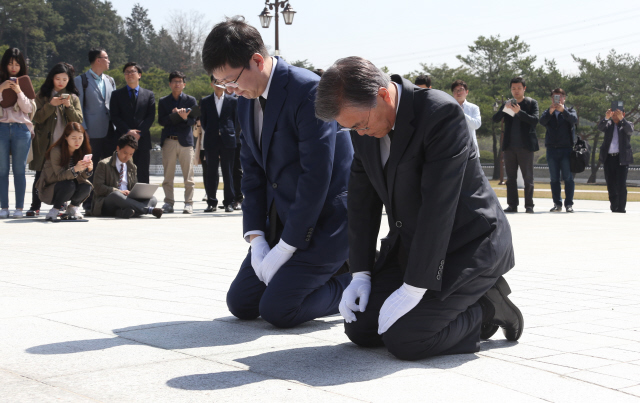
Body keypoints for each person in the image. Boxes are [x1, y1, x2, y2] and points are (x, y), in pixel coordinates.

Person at [315, 56, 521, 361]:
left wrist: (413, 287)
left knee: (407, 339)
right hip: (413, 244)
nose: (359, 134)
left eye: (360, 124)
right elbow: (360, 203)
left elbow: (439, 208)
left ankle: (487, 307)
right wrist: (360, 274)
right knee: (360, 327)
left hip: (467, 244)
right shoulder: (365, 129)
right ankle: (441, 303)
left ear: (383, 95)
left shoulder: (440, 113)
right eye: (350, 129)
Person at [202, 16, 353, 328]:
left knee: (278, 310)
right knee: (241, 304)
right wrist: (257, 239)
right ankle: (307, 273)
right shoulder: (246, 99)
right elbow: (253, 173)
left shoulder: (307, 89)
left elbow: (317, 177)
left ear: (257, 61)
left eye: (231, 81)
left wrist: (286, 247)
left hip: (325, 224)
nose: (229, 90)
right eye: (221, 84)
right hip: (281, 220)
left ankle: (354, 281)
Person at [28, 62, 83, 217]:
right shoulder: (42, 95)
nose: (61, 82)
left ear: (69, 81)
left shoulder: (73, 97)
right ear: (52, 78)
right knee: (40, 176)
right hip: (45, 144)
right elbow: (36, 118)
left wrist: (68, 107)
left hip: (65, 146)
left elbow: (78, 120)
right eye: (58, 78)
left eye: (64, 79)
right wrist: (50, 105)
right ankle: (34, 206)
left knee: (65, 174)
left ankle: (60, 206)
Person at [75, 48, 116, 212]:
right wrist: (83, 130)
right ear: (98, 60)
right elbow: (79, 108)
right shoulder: (81, 80)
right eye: (106, 58)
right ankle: (87, 202)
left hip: (110, 131)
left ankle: (105, 201)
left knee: (107, 167)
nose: (109, 60)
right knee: (89, 168)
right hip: (91, 131)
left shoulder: (110, 80)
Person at [492, 77, 539, 214]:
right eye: (513, 88)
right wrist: (504, 110)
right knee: (510, 178)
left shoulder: (531, 103)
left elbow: (534, 120)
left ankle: (529, 205)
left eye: (519, 88)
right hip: (509, 147)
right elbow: (495, 119)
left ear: (524, 88)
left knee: (528, 178)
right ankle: (512, 205)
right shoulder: (508, 104)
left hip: (526, 147)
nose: (516, 91)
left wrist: (519, 112)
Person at [0, 47, 35, 219]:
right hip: (1, 127)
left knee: (20, 170)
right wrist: (1, 88)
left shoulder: (25, 82)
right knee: (2, 170)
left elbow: (28, 108)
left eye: (17, 64)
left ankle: (19, 208)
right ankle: (4, 207)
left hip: (21, 128)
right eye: (10, 64)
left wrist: (19, 91)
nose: (13, 68)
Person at [92, 134, 162, 219]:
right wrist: (118, 191)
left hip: (127, 200)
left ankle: (123, 212)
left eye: (131, 154)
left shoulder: (132, 167)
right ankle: (148, 210)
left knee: (153, 199)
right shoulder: (104, 164)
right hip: (108, 201)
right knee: (116, 195)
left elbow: (133, 186)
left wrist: (137, 193)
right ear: (118, 148)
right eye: (125, 153)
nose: (127, 157)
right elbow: (98, 188)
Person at [110, 62, 156, 184]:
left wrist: (138, 133)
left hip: (142, 140)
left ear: (139, 75)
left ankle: (143, 200)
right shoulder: (116, 95)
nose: (129, 74)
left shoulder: (149, 94)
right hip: (122, 139)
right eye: (127, 72)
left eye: (132, 71)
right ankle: (121, 197)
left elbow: (150, 117)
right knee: (121, 171)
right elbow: (114, 116)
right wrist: (128, 131)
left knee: (142, 172)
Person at [36, 122, 93, 221]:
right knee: (68, 184)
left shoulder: (81, 150)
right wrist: (75, 169)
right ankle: (55, 209)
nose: (77, 141)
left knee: (86, 186)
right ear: (66, 137)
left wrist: (88, 170)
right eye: (73, 137)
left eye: (80, 138)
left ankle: (72, 208)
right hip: (52, 187)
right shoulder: (56, 151)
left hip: (71, 184)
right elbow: (59, 175)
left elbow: (82, 177)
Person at [158, 71, 197, 214]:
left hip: (186, 142)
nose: (177, 84)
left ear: (184, 85)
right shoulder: (163, 101)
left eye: (180, 81)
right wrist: (175, 115)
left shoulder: (190, 101)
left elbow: (193, 121)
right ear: (170, 84)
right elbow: (161, 121)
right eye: (174, 81)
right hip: (169, 140)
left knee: (189, 176)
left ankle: (189, 203)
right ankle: (168, 202)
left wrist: (184, 117)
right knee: (168, 175)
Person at [200, 75, 238, 212]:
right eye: (216, 82)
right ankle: (211, 202)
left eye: (221, 82)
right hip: (211, 140)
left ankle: (229, 202)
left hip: (228, 140)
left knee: (228, 172)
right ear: (211, 84)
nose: (218, 84)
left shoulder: (232, 101)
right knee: (211, 172)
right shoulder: (205, 101)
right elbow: (203, 122)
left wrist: (228, 132)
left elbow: (235, 121)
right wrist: (213, 132)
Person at [539, 88, 578, 213]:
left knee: (568, 178)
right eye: (555, 97)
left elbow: (574, 120)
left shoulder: (570, 111)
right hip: (551, 149)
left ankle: (569, 204)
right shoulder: (548, 112)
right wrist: (550, 112)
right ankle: (557, 204)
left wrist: (563, 111)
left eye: (560, 97)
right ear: (552, 99)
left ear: (564, 98)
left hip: (566, 149)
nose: (558, 99)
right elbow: (541, 121)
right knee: (554, 178)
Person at [598, 106, 634, 213]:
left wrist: (622, 119)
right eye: (613, 115)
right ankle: (614, 206)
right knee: (611, 183)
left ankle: (621, 208)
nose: (615, 117)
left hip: (621, 158)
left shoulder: (627, 124)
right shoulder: (608, 125)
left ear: (623, 114)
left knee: (621, 184)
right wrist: (606, 117)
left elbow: (630, 131)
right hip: (609, 158)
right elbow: (600, 127)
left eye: (617, 115)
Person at [451, 79, 481, 155]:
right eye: (455, 90)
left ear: (467, 92)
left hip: (470, 147)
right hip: (453, 147)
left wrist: (463, 114)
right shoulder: (449, 108)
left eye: (461, 90)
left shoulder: (474, 108)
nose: (458, 92)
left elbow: (476, 124)